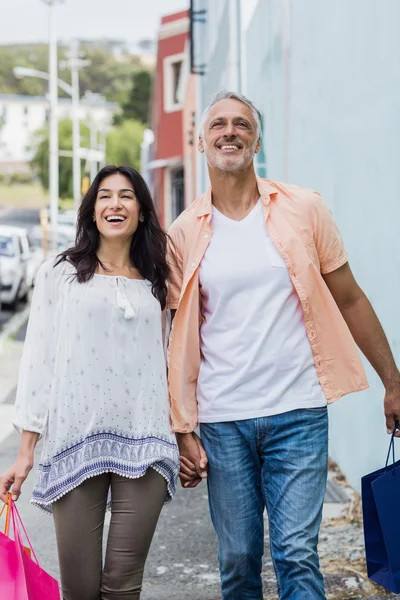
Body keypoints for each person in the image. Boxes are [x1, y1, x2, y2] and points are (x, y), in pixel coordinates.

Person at [166, 90, 400, 600]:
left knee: (297, 554)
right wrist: (181, 428)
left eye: (242, 124)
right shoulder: (184, 233)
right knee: (238, 559)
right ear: (202, 142)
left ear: (256, 138)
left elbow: (351, 298)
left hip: (299, 412)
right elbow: (173, 336)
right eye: (219, 125)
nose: (230, 132)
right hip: (223, 418)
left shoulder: (304, 209)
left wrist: (392, 381)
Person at [0, 165, 179, 600]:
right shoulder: (59, 274)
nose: (114, 204)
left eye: (126, 196)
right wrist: (26, 451)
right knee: (79, 590)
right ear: (92, 210)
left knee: (122, 586)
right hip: (76, 440)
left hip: (146, 439)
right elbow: (38, 361)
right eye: (104, 196)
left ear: (141, 210)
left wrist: (186, 433)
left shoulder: (160, 280)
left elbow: (175, 361)